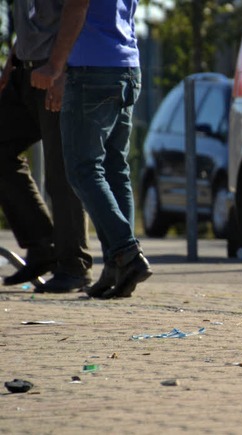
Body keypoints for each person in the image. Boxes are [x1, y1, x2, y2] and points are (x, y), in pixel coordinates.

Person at [31, 0, 152, 299]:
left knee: (83, 169)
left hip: (91, 71)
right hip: (126, 65)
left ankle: (127, 253)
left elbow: (77, 5)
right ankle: (116, 265)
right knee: (114, 169)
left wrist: (55, 66)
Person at [0, 0, 93, 293]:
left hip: (55, 70)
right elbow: (32, 18)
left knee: (61, 170)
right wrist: (12, 59)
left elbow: (78, 8)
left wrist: (61, 68)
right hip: (24, 71)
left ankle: (74, 265)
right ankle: (42, 246)